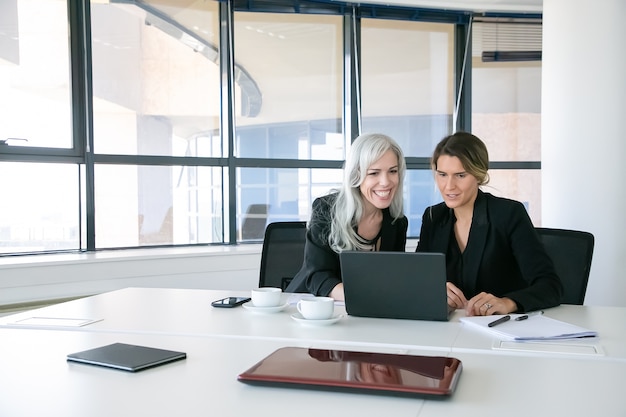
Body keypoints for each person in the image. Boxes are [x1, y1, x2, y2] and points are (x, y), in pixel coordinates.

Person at [416, 131, 562, 316]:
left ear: (479, 174)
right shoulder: (433, 217)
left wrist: (508, 303)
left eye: (460, 175)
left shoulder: (508, 214)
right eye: (442, 174)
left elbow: (550, 285)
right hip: (449, 330)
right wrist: (435, 290)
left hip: (500, 329)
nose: (449, 186)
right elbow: (418, 279)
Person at [286, 133, 408, 301]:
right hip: (311, 306)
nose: (386, 182)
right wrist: (363, 298)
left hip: (362, 312)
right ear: (356, 175)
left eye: (392, 171)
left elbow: (392, 277)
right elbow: (318, 277)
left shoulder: (397, 222)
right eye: (374, 173)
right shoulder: (327, 210)